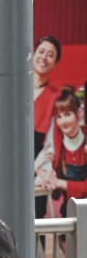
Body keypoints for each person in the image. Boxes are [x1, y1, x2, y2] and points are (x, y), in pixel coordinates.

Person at [32, 36, 62, 218]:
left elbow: (53, 140)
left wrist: (44, 170)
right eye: (41, 52)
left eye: (50, 55)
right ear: (33, 54)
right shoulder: (15, 88)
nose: (44, 57)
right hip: (11, 160)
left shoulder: (56, 96)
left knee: (36, 217)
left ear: (55, 64)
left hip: (38, 160)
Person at [45, 86, 86, 215]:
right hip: (68, 211)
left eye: (67, 114)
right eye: (59, 116)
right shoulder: (58, 146)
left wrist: (59, 183)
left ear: (79, 113)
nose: (63, 121)